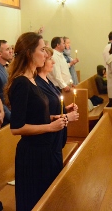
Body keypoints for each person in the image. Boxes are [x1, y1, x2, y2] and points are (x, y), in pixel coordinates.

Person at [4, 32, 67, 211]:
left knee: (47, 200)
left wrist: (53, 117)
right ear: (29, 53)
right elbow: (16, 128)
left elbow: (35, 114)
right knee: (34, 202)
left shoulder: (33, 80)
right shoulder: (21, 83)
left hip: (45, 150)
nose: (46, 54)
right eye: (41, 50)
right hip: (33, 154)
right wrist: (50, 126)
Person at [35, 46, 79, 181]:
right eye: (50, 60)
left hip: (56, 137)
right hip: (47, 140)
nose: (53, 63)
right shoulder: (37, 84)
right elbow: (38, 116)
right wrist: (66, 117)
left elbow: (51, 107)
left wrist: (65, 109)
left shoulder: (48, 81)